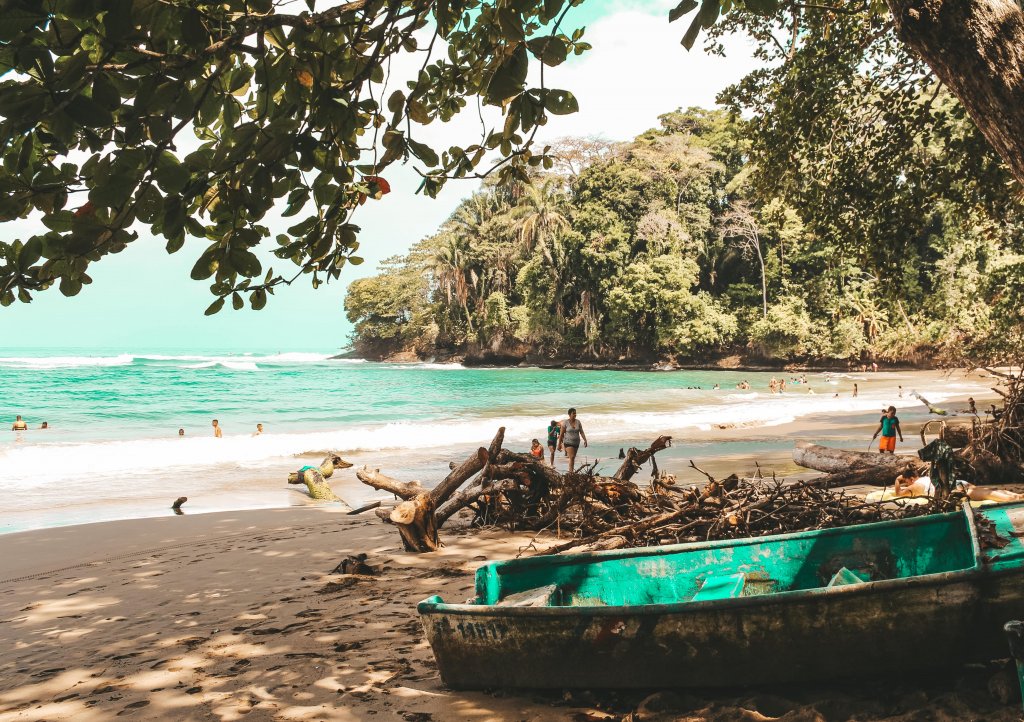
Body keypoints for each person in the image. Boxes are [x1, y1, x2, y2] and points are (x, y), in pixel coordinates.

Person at [557, 408, 588, 474]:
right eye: (573, 413)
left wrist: (585, 440)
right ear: (569, 414)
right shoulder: (565, 422)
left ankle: (571, 471)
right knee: (572, 457)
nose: (575, 414)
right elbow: (561, 434)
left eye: (575, 413)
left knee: (573, 458)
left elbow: (581, 432)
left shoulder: (578, 422)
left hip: (576, 442)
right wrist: (559, 444)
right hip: (568, 442)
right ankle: (571, 472)